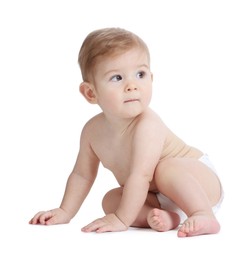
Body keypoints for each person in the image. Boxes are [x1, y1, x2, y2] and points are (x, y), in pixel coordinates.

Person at [29, 27, 224, 237]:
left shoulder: (147, 124)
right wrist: (65, 211)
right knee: (110, 200)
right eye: (117, 78)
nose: (132, 85)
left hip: (198, 183)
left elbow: (142, 175)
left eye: (140, 74)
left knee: (165, 169)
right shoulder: (92, 131)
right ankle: (167, 217)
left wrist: (122, 219)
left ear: (151, 77)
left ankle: (203, 214)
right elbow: (82, 175)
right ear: (91, 92)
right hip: (158, 195)